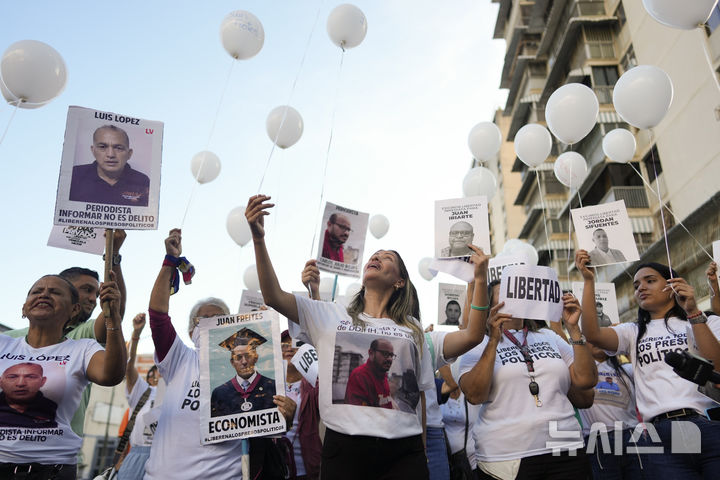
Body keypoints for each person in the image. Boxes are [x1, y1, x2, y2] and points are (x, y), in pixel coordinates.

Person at [246, 194, 434, 480]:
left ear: (400, 282)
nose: (376, 257)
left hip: (404, 455)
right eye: (374, 255)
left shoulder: (412, 330)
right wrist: (258, 240)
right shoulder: (330, 315)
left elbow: (416, 398)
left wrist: (421, 452)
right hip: (346, 451)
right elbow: (273, 295)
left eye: (387, 258)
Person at [143, 229, 296, 480]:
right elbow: (158, 315)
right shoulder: (180, 359)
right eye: (204, 319)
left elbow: (269, 424)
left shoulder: (251, 366)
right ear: (191, 330)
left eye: (219, 319)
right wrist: (170, 262)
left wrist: (285, 418)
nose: (211, 323)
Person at [576, 250, 720, 478]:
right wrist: (588, 280)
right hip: (660, 436)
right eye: (636, 285)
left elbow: (717, 365)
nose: (640, 288)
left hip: (708, 425)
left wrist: (693, 312)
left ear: (673, 285)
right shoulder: (632, 332)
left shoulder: (706, 320)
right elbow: (592, 333)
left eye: (650, 281)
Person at [459, 279, 597, 480]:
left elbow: (587, 381)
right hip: (507, 456)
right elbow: (474, 394)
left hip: (566, 446)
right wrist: (494, 341)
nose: (515, 295)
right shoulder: (476, 345)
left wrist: (574, 329)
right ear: (490, 304)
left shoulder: (549, 337)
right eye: (506, 291)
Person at [0, 274, 126, 479]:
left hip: (51, 472)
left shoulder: (83, 349)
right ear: (24, 308)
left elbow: (110, 375)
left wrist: (114, 319)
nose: (44, 295)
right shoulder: (3, 343)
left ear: (74, 309)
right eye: (37, 291)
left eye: (55, 292)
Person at [4, 229, 127, 439]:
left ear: (73, 309)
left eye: (96, 294)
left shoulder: (84, 340)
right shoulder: (7, 341)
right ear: (24, 307)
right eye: (86, 290)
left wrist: (113, 256)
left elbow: (112, 313)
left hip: (56, 464)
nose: (92, 298)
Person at [578, 341, 642, 479]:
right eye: (589, 338)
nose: (595, 342)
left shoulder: (627, 369)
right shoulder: (582, 372)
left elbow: (641, 363)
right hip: (598, 440)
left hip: (631, 435)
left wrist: (625, 343)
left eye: (598, 338)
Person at [116, 313, 161, 480]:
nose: (158, 375)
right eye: (153, 372)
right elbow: (129, 366)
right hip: (137, 455)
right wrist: (136, 335)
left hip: (166, 455)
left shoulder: (177, 393)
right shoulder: (144, 391)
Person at [69, 124, 150, 206]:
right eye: (103, 147)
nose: (110, 154)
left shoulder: (143, 181)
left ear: (129, 154)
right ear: (93, 150)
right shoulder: (74, 175)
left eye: (118, 148)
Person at [281, 330, 321, 480]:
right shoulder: (267, 384)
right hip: (273, 468)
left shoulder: (313, 384)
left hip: (305, 469)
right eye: (284, 345)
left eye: (297, 345)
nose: (289, 349)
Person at [211, 328, 276, 416]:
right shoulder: (219, 393)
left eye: (248, 356)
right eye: (238, 358)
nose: (244, 361)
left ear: (256, 358)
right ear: (232, 362)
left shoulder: (273, 387)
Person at [0, 363, 58, 428]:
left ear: (42, 381)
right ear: (0, 381)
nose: (20, 383)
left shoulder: (53, 407)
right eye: (12, 377)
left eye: (31, 377)